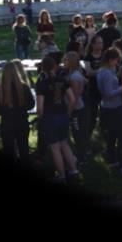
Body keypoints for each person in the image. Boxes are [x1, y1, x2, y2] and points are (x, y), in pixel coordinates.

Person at [36, 55, 81, 183]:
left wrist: (41, 119)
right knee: (64, 144)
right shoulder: (62, 80)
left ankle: (61, 176)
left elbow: (39, 107)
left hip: (50, 117)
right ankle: (74, 171)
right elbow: (72, 99)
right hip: (63, 115)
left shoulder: (41, 82)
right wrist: (67, 113)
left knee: (55, 148)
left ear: (42, 68)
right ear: (55, 66)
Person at [97, 48, 122, 177]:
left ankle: (112, 160)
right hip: (114, 108)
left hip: (108, 108)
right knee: (121, 136)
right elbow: (108, 93)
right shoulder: (106, 74)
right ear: (111, 60)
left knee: (111, 136)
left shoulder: (103, 71)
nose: (118, 62)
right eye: (117, 59)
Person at [0, 60, 35, 163]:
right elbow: (31, 104)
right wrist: (22, 108)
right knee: (24, 150)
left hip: (7, 123)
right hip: (22, 122)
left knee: (8, 151)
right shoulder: (24, 87)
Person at [63, 51, 89, 167]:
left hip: (77, 109)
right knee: (78, 133)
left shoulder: (74, 77)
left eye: (65, 61)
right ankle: (82, 154)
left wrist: (69, 112)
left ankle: (81, 157)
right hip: (76, 108)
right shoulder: (73, 74)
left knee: (78, 134)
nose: (63, 63)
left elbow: (75, 97)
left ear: (71, 62)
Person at [83, 35, 105, 143]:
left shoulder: (105, 55)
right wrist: (101, 71)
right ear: (92, 44)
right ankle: (88, 139)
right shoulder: (88, 57)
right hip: (92, 89)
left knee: (105, 114)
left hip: (104, 88)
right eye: (98, 43)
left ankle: (103, 135)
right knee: (92, 115)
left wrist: (96, 72)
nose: (100, 45)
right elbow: (88, 72)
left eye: (101, 42)